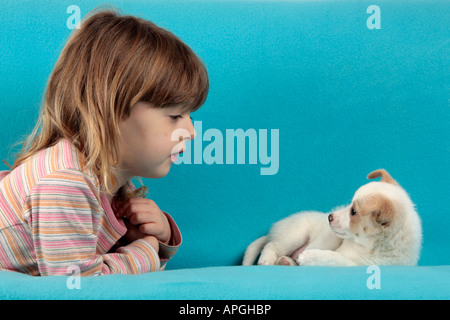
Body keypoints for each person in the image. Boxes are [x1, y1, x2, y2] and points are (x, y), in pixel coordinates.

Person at [0, 7, 209, 276]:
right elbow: (79, 287)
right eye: (175, 115)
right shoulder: (65, 183)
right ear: (110, 112)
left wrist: (157, 235)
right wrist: (147, 251)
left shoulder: (108, 183)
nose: (191, 132)